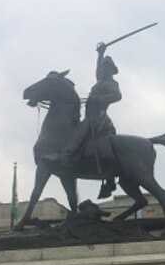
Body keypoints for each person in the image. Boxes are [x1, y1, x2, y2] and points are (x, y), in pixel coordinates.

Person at [48, 43, 122, 197]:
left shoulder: (112, 83)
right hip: (91, 113)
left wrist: (98, 99)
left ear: (111, 70)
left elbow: (117, 96)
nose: (103, 69)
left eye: (106, 67)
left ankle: (66, 155)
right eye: (103, 67)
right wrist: (100, 53)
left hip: (99, 117)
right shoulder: (100, 80)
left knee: (81, 131)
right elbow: (97, 68)